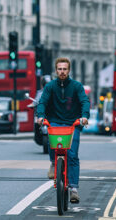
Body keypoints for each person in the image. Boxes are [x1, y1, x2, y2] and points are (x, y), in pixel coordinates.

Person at [36, 57, 90, 204]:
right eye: (59, 69)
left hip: (73, 124)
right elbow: (42, 102)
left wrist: (84, 117)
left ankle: (73, 189)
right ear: (56, 70)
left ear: (69, 70)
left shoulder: (77, 86)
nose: (62, 72)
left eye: (64, 69)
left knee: (72, 154)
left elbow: (84, 101)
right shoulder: (50, 87)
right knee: (52, 143)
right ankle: (54, 163)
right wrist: (41, 116)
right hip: (55, 122)